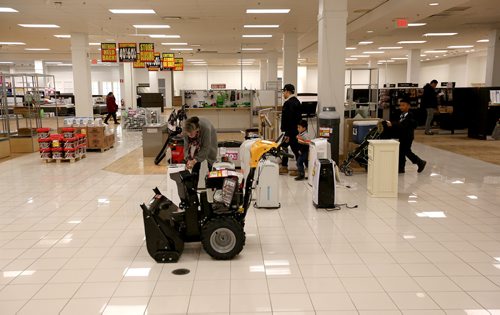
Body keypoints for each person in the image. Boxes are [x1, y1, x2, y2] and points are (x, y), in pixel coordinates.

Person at [386, 97, 427, 174]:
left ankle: (420, 162)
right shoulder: (402, 115)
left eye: (403, 105)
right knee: (401, 152)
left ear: (408, 106)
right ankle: (401, 168)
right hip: (402, 136)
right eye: (400, 105)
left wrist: (393, 124)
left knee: (406, 151)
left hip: (407, 137)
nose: (401, 107)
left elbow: (403, 125)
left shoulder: (410, 116)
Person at [183, 116, 217, 187]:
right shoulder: (186, 129)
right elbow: (186, 146)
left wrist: (195, 160)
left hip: (209, 134)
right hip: (196, 136)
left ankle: (212, 187)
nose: (189, 136)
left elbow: (206, 148)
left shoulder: (206, 129)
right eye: (188, 134)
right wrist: (188, 159)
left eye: (191, 134)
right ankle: (193, 188)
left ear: (197, 129)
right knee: (195, 166)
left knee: (211, 158)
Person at [280, 83, 302, 176]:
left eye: (283, 92)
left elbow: (288, 119)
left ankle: (299, 169)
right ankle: (285, 166)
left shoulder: (288, 103)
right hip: (295, 130)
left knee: (294, 149)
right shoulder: (297, 101)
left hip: (290, 131)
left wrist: (287, 133)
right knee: (286, 147)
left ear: (287, 91)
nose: (283, 94)